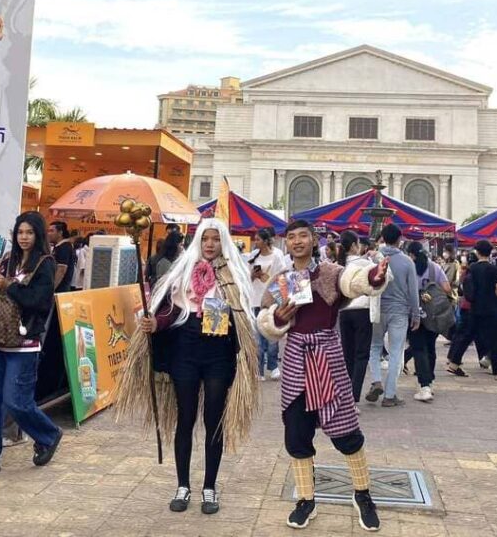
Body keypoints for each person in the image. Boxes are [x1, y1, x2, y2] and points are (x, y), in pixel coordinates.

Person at [116, 218, 259, 516]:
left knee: (214, 420)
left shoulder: (233, 273)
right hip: (186, 350)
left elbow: (242, 315)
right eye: (205, 239)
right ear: (198, 241)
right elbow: (170, 309)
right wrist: (155, 322)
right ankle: (183, 485)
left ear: (223, 242)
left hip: (219, 353)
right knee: (185, 418)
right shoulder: (182, 269)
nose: (210, 244)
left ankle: (210, 487)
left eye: (215, 239)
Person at [257, 220, 388, 531]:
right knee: (297, 434)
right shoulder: (282, 278)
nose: (298, 241)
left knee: (346, 432)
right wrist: (276, 318)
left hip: (327, 357)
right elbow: (264, 316)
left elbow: (354, 282)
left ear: (314, 240)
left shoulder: (329, 272)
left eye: (304, 236)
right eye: (291, 237)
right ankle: (306, 499)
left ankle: (362, 494)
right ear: (285, 243)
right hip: (296, 361)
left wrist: (373, 276)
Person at [0, 211, 62, 479]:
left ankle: (48, 434)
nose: (24, 238)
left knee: (16, 402)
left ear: (38, 235)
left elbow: (39, 301)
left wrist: (8, 285)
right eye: (20, 232)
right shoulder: (8, 260)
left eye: (29, 232)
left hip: (24, 342)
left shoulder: (44, 263)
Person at [365, 224, 418, 407]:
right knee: (396, 351)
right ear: (399, 239)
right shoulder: (407, 262)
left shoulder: (374, 259)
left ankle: (376, 380)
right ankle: (390, 394)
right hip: (400, 311)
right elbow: (413, 292)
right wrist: (416, 315)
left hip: (378, 308)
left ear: (382, 238)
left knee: (375, 346)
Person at [405, 241, 451, 403]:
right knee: (430, 346)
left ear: (411, 254)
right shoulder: (434, 268)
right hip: (433, 313)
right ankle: (429, 380)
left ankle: (424, 384)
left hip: (413, 312)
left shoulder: (408, 267)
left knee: (418, 348)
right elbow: (446, 289)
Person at [337, 232, 374, 403]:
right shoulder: (366, 264)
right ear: (353, 246)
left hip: (344, 312)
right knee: (361, 355)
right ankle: (354, 396)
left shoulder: (338, 265)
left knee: (347, 354)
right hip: (362, 311)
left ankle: (345, 394)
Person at [248, 228, 286, 381]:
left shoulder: (277, 255)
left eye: (257, 239)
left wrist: (279, 300)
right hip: (254, 300)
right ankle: (259, 370)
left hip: (271, 301)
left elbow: (281, 278)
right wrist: (253, 275)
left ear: (265, 240)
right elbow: (247, 279)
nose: (255, 242)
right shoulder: (252, 256)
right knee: (257, 338)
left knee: (271, 335)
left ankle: (273, 366)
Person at [469, 241, 497, 381]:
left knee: (480, 336)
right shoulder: (494, 269)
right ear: (490, 252)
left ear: (477, 252)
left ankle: (484, 357)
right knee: (495, 338)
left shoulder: (472, 268)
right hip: (492, 309)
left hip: (476, 307)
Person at [446, 252, 477, 377]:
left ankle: (452, 358)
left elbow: (460, 288)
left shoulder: (465, 273)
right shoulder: (472, 274)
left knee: (461, 334)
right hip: (472, 307)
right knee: (466, 335)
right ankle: (454, 361)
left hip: (464, 305)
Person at [47, 221, 75, 294]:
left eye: (51, 231)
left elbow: (61, 270)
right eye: (48, 231)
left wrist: (51, 290)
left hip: (60, 291)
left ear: (60, 233)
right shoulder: (59, 247)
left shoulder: (64, 247)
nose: (48, 234)